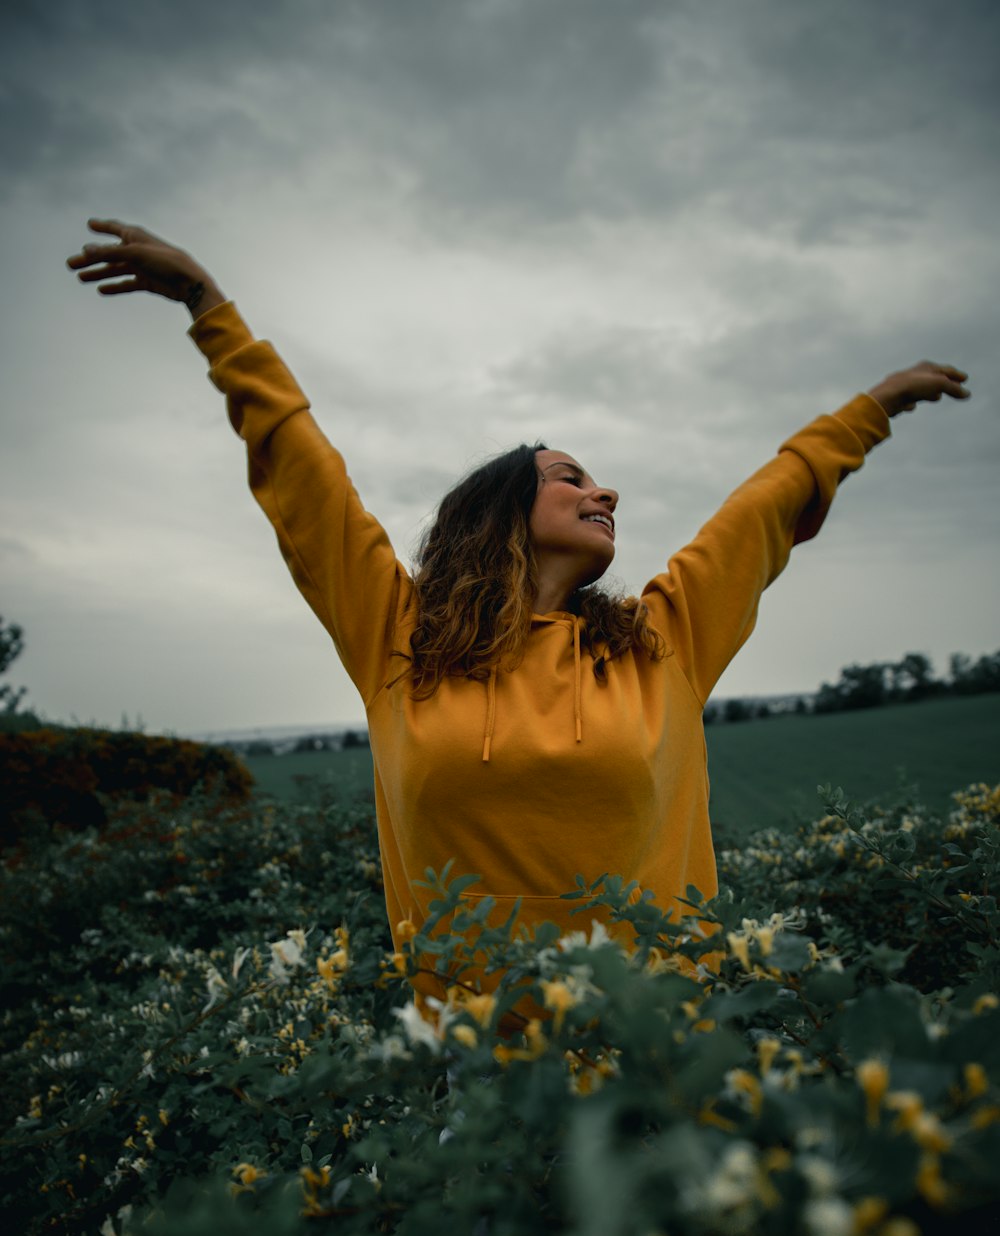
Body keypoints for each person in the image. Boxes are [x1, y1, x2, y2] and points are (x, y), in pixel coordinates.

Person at [67, 219, 971, 1026]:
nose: (603, 490)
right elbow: (308, 483)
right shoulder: (399, 642)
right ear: (497, 513)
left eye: (600, 480)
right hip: (485, 1082)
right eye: (570, 476)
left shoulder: (663, 646)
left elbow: (762, 509)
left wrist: (871, 408)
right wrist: (207, 303)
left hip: (661, 1055)